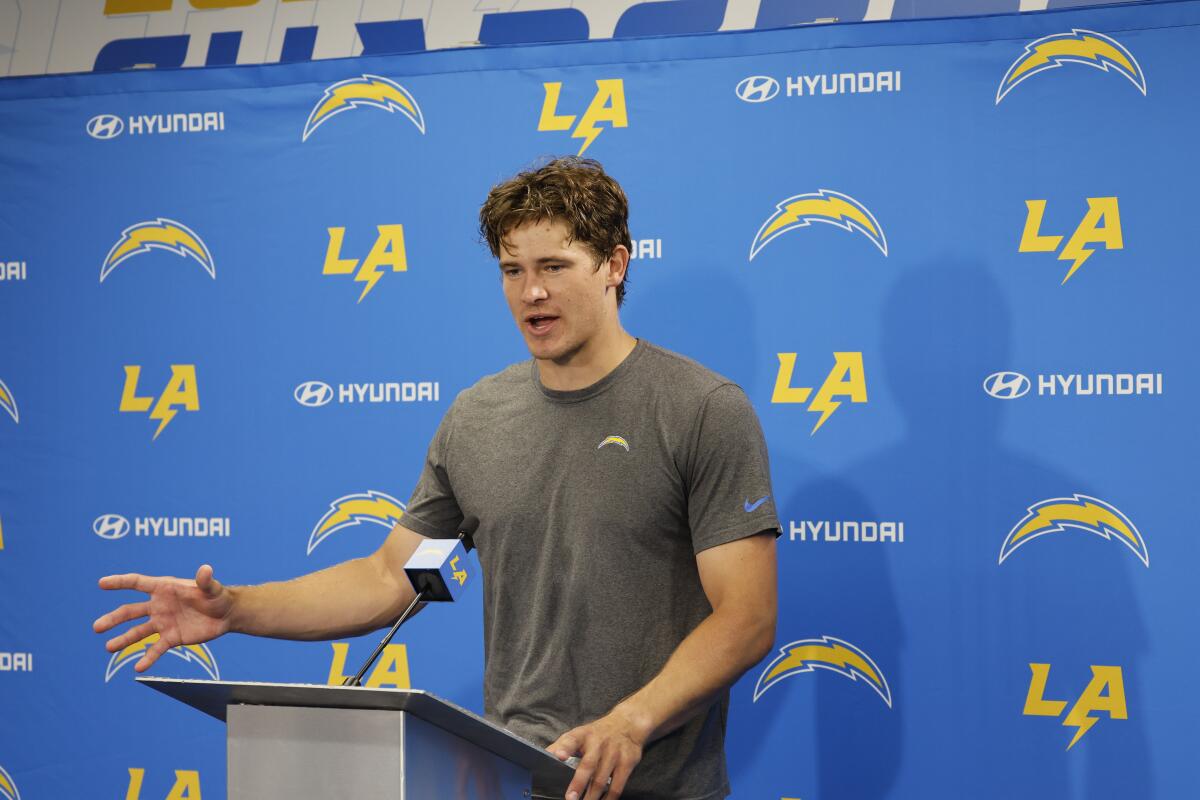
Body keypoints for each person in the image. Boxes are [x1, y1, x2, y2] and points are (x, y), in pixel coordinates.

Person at [94, 157, 780, 800]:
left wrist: (630, 722)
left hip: (655, 788)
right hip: (513, 780)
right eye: (511, 270)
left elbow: (746, 617)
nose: (531, 291)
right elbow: (389, 578)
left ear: (614, 265)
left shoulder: (700, 410)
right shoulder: (477, 418)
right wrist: (236, 609)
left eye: (554, 266)